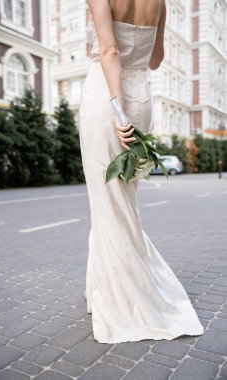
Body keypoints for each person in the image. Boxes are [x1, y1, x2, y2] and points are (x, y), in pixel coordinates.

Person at [78, 0, 204, 344]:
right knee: (123, 201)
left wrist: (118, 112)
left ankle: (126, 298)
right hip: (141, 99)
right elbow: (155, 59)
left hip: (108, 101)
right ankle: (102, 286)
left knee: (107, 201)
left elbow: (108, 50)